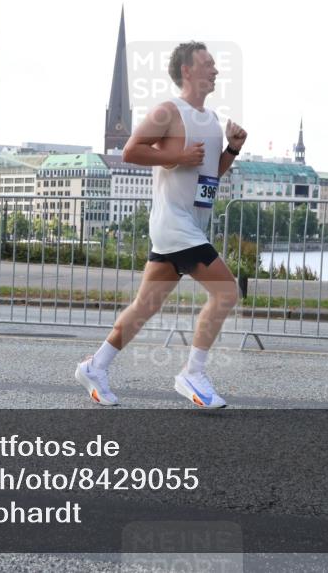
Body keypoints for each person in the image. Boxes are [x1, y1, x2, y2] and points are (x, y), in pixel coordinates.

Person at [75, 41, 247, 408]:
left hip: (189, 226)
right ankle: (193, 373)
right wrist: (177, 155)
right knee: (227, 292)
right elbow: (131, 150)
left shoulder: (213, 121)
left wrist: (231, 150)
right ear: (187, 70)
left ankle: (95, 366)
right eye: (208, 63)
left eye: (216, 64)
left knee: (144, 306)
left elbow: (209, 178)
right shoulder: (168, 112)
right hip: (174, 224)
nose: (215, 69)